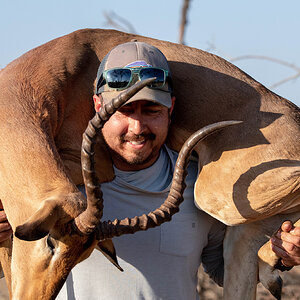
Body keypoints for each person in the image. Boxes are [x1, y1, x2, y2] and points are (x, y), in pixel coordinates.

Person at [0, 41, 299, 299]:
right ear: (97, 107)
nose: (138, 127)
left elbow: (224, 269)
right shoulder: (54, 188)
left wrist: (279, 254)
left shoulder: (198, 183)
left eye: (152, 111)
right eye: (125, 111)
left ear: (171, 109)